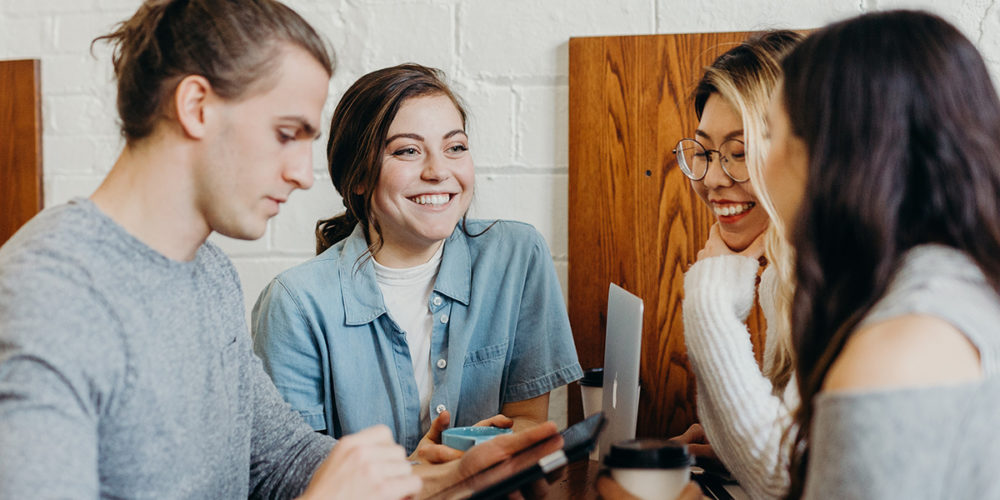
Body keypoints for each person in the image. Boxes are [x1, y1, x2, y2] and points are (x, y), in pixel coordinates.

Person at [0, 1, 558, 498]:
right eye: (286, 133)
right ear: (195, 106)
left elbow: (279, 460)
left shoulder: (207, 272)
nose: (299, 173)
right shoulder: (48, 296)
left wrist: (424, 477)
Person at [251, 63, 583, 461]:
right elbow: (292, 473)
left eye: (455, 147)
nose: (439, 171)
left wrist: (483, 452)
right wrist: (417, 474)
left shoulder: (517, 256)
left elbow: (528, 420)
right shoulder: (294, 303)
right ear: (357, 177)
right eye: (407, 150)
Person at [764, 10, 1000, 498]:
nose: (758, 163)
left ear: (829, 155)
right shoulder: (969, 289)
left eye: (770, 133)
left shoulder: (898, 349)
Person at [666, 31, 802, 500]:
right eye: (703, 153)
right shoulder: (786, 275)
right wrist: (728, 445)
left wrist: (708, 303)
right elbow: (785, 454)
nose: (714, 179)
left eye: (740, 154)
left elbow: (784, 479)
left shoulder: (848, 280)